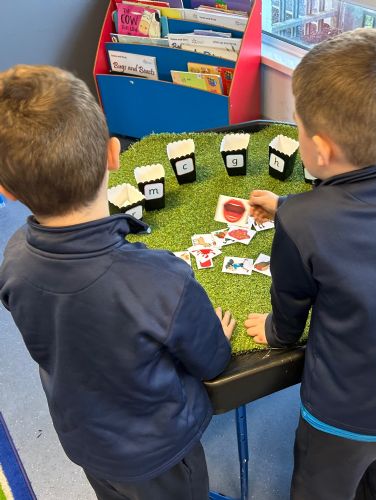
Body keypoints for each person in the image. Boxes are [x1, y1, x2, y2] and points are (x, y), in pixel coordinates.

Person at [0, 65, 235, 500]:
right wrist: (217, 338)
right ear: (114, 154)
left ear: (6, 191)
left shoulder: (12, 258)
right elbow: (212, 361)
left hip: (85, 442)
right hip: (160, 453)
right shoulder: (161, 277)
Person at [245, 29, 376, 500]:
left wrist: (274, 331)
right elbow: (362, 214)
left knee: (323, 489)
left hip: (347, 414)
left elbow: (289, 314)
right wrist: (288, 205)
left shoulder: (301, 223)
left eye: (296, 127)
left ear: (320, 149)